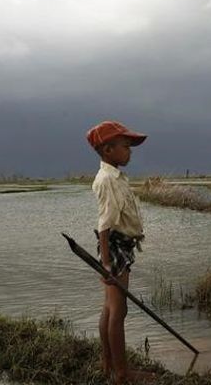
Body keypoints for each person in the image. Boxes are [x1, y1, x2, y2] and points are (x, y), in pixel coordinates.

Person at [86, 120, 155, 384]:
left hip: (118, 247)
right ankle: (123, 374)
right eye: (125, 146)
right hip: (114, 248)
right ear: (107, 150)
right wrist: (106, 262)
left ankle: (107, 364)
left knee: (110, 308)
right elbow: (104, 225)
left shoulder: (114, 176)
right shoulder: (107, 180)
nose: (130, 151)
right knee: (119, 311)